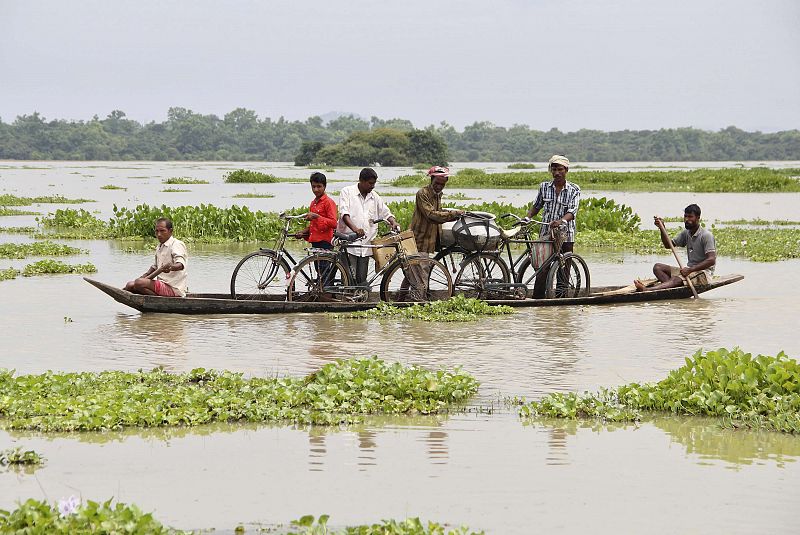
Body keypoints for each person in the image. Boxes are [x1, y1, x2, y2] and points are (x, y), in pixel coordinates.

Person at [525, 155, 581, 298]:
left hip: (566, 234)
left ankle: (561, 298)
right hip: (546, 233)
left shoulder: (574, 189)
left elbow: (572, 211)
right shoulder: (544, 187)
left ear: (566, 170)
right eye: (554, 169)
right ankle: (537, 299)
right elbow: (537, 206)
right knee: (542, 268)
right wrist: (527, 217)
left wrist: (561, 221)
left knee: (564, 269)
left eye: (560, 169)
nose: (557, 173)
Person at [337, 167, 400, 284]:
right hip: (349, 242)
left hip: (365, 245)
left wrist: (393, 222)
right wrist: (355, 229)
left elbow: (385, 212)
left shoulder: (374, 196)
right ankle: (346, 299)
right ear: (361, 181)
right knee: (349, 279)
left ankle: (359, 300)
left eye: (374, 183)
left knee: (362, 279)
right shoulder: (347, 192)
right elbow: (344, 214)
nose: (373, 186)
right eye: (370, 183)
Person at [634, 204, 716, 292]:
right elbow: (668, 245)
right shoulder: (686, 233)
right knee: (657, 267)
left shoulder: (706, 235)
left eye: (690, 217)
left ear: (698, 218)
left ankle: (646, 290)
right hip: (689, 271)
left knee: (676, 279)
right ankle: (670, 288)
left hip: (703, 274)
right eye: (685, 216)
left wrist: (690, 270)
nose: (687, 219)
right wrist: (662, 228)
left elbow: (711, 260)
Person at [124, 217, 188, 297]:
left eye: (162, 231)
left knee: (139, 283)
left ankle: (159, 300)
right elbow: (155, 267)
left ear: (170, 231)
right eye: (157, 231)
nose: (159, 234)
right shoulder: (159, 246)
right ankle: (155, 299)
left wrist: (171, 267)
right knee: (130, 285)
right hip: (162, 284)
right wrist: (145, 275)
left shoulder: (176, 244)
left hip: (173, 288)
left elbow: (180, 264)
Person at [409, 166, 464, 256]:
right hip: (420, 239)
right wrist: (453, 214)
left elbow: (438, 211)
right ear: (431, 180)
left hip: (430, 240)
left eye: (442, 185)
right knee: (420, 267)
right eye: (437, 183)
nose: (439, 186)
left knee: (426, 267)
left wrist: (455, 214)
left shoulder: (438, 194)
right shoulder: (422, 193)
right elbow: (431, 214)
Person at [296, 172, 337, 250]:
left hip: (325, 242)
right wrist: (303, 232)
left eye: (319, 186)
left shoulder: (328, 202)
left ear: (324, 186)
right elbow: (314, 225)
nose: (316, 190)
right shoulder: (313, 203)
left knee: (324, 262)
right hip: (315, 242)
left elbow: (334, 223)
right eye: (313, 187)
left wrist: (317, 217)